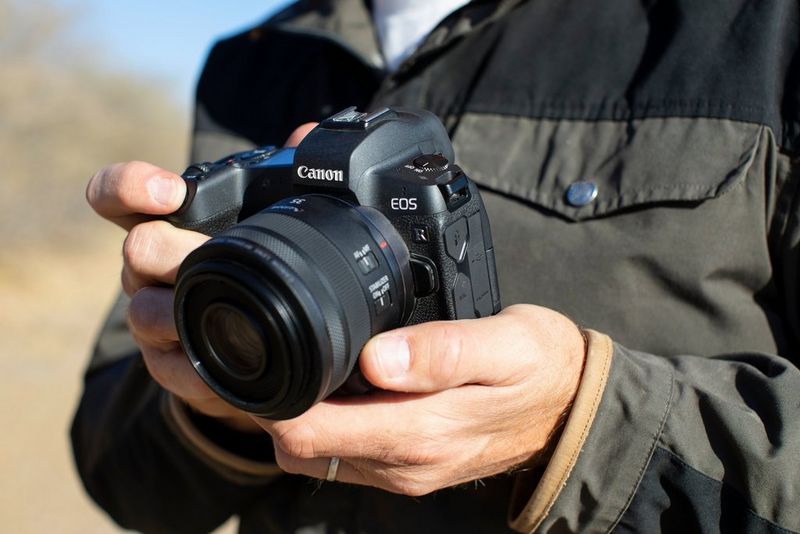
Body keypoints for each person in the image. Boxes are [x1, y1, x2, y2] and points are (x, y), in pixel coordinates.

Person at [71, 0, 800, 532]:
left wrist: (579, 423)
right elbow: (125, 485)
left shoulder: (757, 31)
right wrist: (222, 401)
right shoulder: (253, 59)